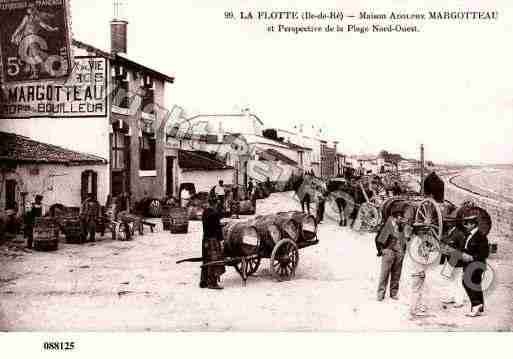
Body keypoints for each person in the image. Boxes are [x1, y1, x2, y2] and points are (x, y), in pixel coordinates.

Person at [10, 3, 59, 79]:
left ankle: (48, 69)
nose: (29, 10)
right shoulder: (26, 18)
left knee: (35, 55)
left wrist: (52, 29)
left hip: (33, 39)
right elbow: (20, 27)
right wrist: (14, 35)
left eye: (31, 8)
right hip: (26, 39)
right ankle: (36, 73)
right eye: (29, 8)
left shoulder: (37, 18)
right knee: (30, 56)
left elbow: (45, 26)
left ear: (34, 10)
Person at [460, 215, 489, 317]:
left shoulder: (480, 236)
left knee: (467, 282)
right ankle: (479, 308)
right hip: (469, 264)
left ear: (473, 224)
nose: (466, 226)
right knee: (475, 284)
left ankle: (476, 305)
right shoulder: (469, 235)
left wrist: (471, 257)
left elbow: (484, 253)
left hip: (476, 264)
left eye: (467, 224)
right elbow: (465, 248)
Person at [376, 209, 408, 301]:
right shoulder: (388, 225)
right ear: (395, 218)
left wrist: (403, 251)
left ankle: (393, 293)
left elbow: (405, 238)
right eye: (400, 218)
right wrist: (381, 250)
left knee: (397, 273)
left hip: (399, 251)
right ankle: (380, 295)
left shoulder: (401, 226)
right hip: (389, 251)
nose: (402, 219)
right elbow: (378, 239)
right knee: (384, 274)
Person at [408, 225, 436, 318]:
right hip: (417, 269)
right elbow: (416, 257)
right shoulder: (416, 242)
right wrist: (420, 270)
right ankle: (413, 310)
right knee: (416, 290)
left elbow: (422, 254)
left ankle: (417, 307)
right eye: (423, 231)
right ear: (418, 231)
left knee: (419, 289)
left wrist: (428, 251)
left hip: (419, 269)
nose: (425, 232)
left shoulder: (418, 240)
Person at [200, 197, 226, 289]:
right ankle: (212, 283)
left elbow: (207, 226)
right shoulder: (215, 214)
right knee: (214, 260)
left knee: (206, 259)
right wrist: (221, 239)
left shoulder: (205, 212)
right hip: (213, 240)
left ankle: (203, 281)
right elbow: (217, 228)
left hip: (205, 239)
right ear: (215, 204)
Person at [440, 224, 467, 308]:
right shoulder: (448, 232)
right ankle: (452, 297)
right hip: (450, 260)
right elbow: (443, 241)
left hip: (457, 260)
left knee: (457, 280)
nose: (447, 223)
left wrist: (449, 251)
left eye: (448, 222)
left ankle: (459, 300)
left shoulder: (459, 234)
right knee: (451, 279)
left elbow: (462, 249)